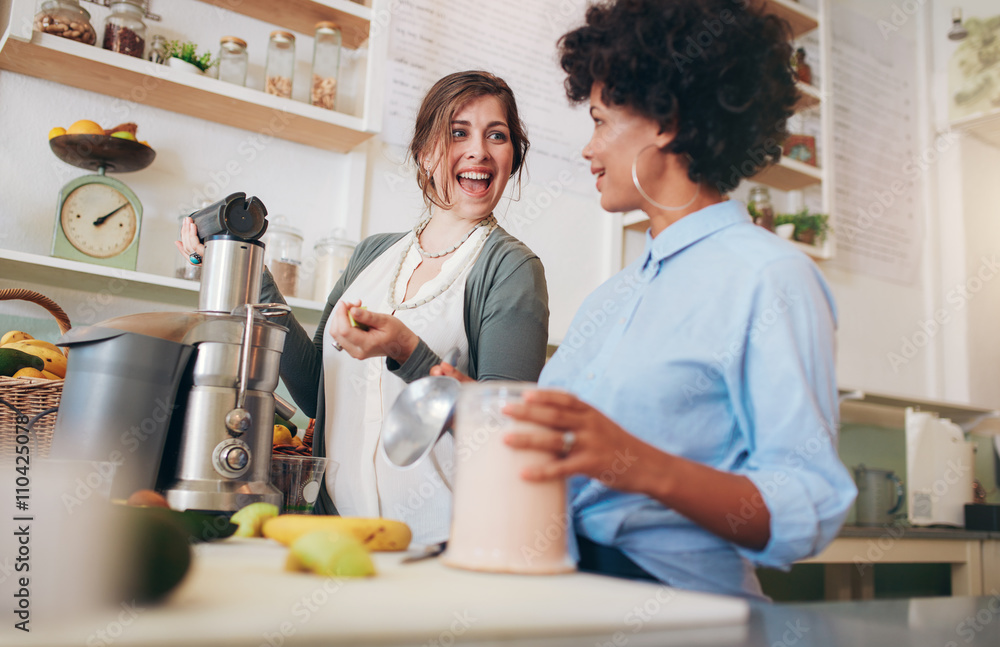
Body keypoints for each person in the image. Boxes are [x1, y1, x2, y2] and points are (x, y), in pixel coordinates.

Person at [466, 0, 855, 599]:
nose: (587, 149)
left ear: (665, 121)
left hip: (684, 609)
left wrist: (637, 462)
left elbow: (809, 507)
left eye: (599, 121)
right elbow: (563, 456)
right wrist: (472, 406)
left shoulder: (771, 278)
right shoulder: (610, 300)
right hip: (568, 593)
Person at [177, 71, 549, 546]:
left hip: (445, 548)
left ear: (511, 156)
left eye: (496, 135)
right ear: (425, 151)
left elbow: (503, 429)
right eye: (459, 132)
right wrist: (246, 268)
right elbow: (316, 393)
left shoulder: (511, 268)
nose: (479, 149)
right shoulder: (371, 256)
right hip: (338, 533)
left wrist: (406, 350)